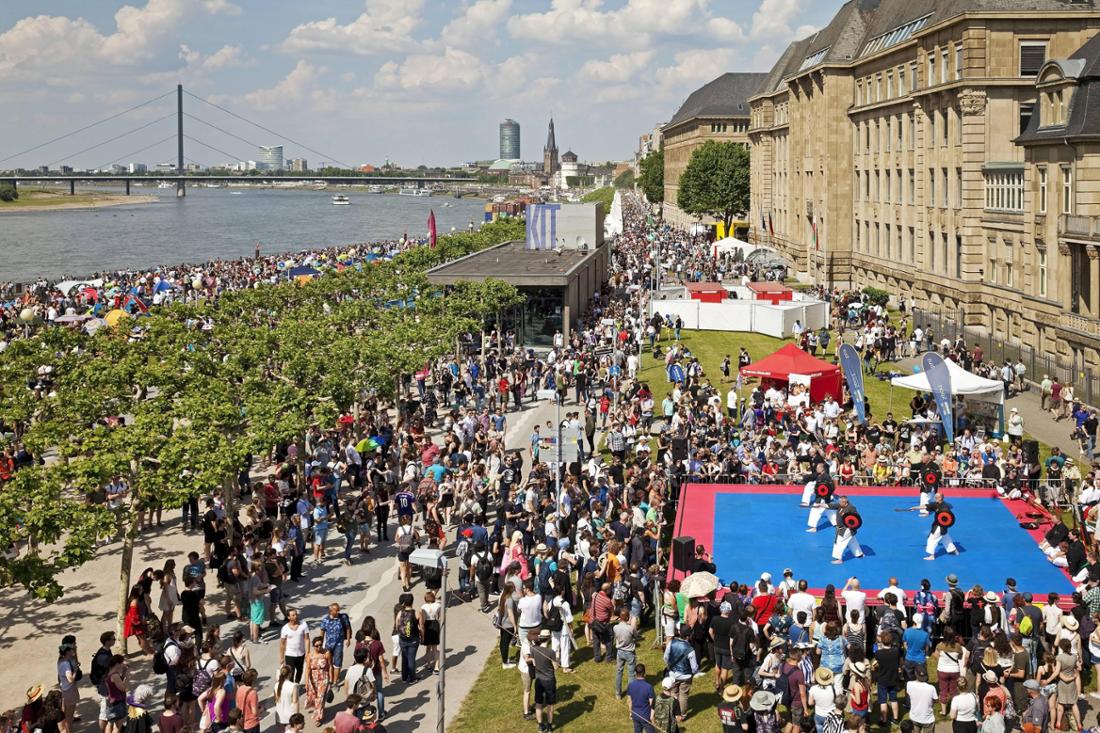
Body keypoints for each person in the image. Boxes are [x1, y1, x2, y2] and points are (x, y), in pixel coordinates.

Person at [525, 629, 559, 733]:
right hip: (549, 680)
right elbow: (556, 667)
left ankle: (540, 726)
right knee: (550, 704)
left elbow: (532, 661)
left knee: (538, 703)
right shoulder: (551, 652)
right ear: (549, 639)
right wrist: (556, 659)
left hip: (539, 680)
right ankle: (549, 727)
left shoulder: (534, 649)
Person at [663, 624, 698, 721]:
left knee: (674, 693)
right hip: (686, 676)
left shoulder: (671, 643)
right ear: (688, 636)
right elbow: (694, 668)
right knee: (683, 695)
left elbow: (665, 657)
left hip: (672, 674)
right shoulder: (691, 650)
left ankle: (674, 712)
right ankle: (682, 715)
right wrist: (693, 672)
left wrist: (670, 666)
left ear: (679, 632)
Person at [924, 491, 959, 560]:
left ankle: (931, 556)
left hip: (939, 526)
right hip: (943, 526)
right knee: (946, 538)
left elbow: (949, 513)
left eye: (937, 497)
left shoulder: (945, 506)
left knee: (931, 539)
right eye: (935, 497)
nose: (935, 498)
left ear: (941, 498)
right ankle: (954, 550)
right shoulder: (936, 504)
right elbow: (926, 506)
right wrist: (914, 508)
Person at [305, 635, 332, 724]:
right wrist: (306, 682)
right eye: (317, 646)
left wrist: (331, 679)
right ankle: (320, 709)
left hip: (323, 678)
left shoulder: (326, 653)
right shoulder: (310, 655)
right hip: (313, 679)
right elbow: (307, 669)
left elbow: (330, 666)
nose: (319, 647)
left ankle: (318, 718)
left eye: (320, 645)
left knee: (320, 697)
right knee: (315, 697)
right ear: (313, 646)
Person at [280, 609, 310, 683]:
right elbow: (282, 644)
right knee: (290, 673)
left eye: (296, 614)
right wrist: (281, 657)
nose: (295, 616)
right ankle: (291, 686)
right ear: (288, 617)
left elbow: (307, 639)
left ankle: (296, 684)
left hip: (301, 654)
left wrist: (307, 653)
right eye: (293, 615)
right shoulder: (285, 628)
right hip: (289, 654)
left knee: (300, 671)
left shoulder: (303, 625)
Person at [830, 496, 864, 564]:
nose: (839, 503)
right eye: (839, 501)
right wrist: (821, 505)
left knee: (839, 542)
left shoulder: (851, 508)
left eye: (840, 502)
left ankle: (839, 559)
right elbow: (832, 506)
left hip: (846, 529)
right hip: (844, 529)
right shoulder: (840, 506)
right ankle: (859, 554)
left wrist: (846, 516)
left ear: (845, 502)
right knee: (852, 541)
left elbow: (856, 518)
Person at [614, 608, 638, 699]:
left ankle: (618, 693)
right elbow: (636, 635)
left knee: (619, 672)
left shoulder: (615, 627)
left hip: (620, 652)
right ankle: (630, 695)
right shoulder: (630, 629)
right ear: (628, 617)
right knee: (631, 674)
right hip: (630, 652)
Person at [905, 667, 937, 733]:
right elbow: (935, 700)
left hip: (914, 717)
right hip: (928, 719)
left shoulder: (909, 684)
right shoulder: (931, 688)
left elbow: (908, 693)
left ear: (915, 674)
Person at [626, 663, 656, 733]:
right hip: (645, 716)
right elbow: (652, 703)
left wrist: (630, 713)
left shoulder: (630, 685)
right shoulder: (649, 687)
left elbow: (629, 701)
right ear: (644, 672)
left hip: (635, 714)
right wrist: (652, 716)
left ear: (635, 673)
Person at [273, 665, 300, 733]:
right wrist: (297, 716)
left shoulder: (276, 685)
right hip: (290, 716)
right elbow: (295, 702)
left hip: (279, 716)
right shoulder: (293, 686)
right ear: (290, 674)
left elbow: (275, 700)